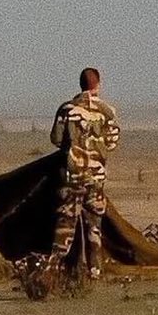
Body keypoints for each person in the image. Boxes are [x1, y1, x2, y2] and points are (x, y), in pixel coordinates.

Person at [49, 67, 120, 277]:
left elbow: (55, 139)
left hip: (72, 176)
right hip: (96, 177)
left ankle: (53, 269)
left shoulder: (66, 109)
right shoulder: (107, 111)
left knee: (65, 222)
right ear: (98, 84)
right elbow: (112, 143)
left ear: (80, 84)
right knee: (94, 225)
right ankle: (94, 270)